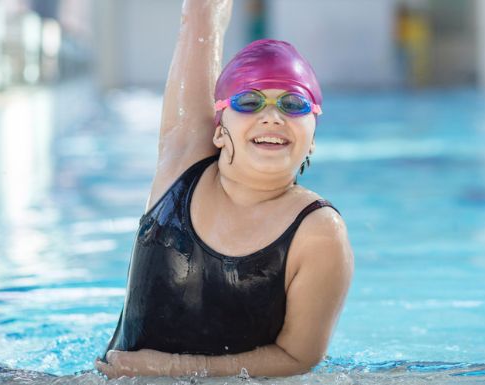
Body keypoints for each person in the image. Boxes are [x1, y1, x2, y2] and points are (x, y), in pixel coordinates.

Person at [93, 0, 354, 378]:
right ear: (218, 128)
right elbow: (200, 13)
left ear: (312, 138)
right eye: (249, 101)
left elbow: (299, 358)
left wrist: (172, 369)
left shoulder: (319, 233)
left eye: (293, 103)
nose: (272, 116)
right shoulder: (182, 164)